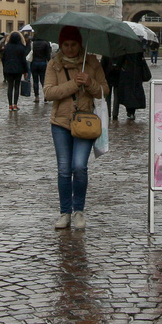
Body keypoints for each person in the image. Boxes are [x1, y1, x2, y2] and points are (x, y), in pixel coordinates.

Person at [45, 26, 107, 230]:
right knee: (64, 170)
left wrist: (89, 82)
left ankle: (79, 210)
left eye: (73, 44)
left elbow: (104, 91)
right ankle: (65, 213)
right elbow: (49, 93)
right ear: (61, 46)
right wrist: (73, 84)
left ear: (79, 44)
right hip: (61, 123)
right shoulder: (54, 64)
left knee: (79, 167)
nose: (70, 49)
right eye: (66, 45)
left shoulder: (91, 63)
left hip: (85, 122)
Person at [115, 50, 149, 120]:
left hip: (127, 73)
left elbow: (120, 62)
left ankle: (130, 111)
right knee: (134, 93)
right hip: (137, 73)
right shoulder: (138, 50)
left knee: (128, 94)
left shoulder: (125, 49)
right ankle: (132, 112)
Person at [1, 31, 29, 111]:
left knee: (10, 87)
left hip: (8, 69)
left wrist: (5, 67)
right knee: (17, 87)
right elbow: (24, 60)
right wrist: (25, 71)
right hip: (18, 69)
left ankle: (10, 105)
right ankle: (15, 105)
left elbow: (3, 58)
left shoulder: (7, 47)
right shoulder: (21, 48)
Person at [28, 35, 52, 103]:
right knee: (43, 80)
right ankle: (45, 96)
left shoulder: (33, 43)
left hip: (34, 63)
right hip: (43, 63)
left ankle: (37, 97)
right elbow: (48, 55)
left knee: (35, 81)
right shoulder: (45, 43)